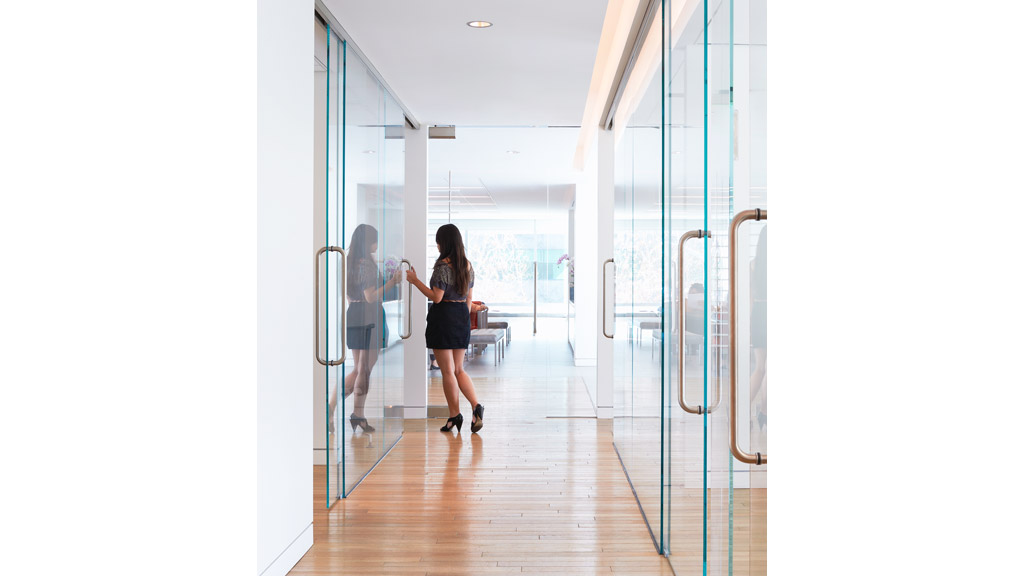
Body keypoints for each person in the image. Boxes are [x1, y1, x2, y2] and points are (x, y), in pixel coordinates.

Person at [406, 223, 485, 434]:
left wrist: (414, 281)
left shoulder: (442, 266)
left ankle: (454, 415)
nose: (437, 246)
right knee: (459, 369)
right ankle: (476, 405)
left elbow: (436, 297)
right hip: (461, 317)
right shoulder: (467, 265)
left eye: (438, 242)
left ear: (444, 243)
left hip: (443, 319)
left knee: (447, 371)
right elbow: (469, 298)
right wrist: (462, 318)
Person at [329, 223, 402, 434]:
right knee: (364, 370)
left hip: (353, 313)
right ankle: (341, 410)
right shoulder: (367, 265)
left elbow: (349, 293)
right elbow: (371, 296)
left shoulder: (348, 262)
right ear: (368, 241)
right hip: (368, 315)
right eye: (375, 240)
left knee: (360, 369)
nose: (377, 245)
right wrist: (393, 281)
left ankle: (353, 413)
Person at [750, 226, 767, 439]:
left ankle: (743, 411)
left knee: (760, 368)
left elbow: (749, 299)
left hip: (759, 314)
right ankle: (765, 412)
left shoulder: (754, 265)